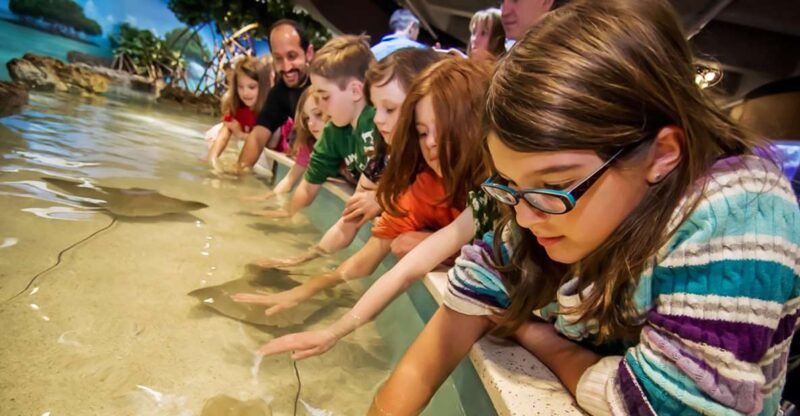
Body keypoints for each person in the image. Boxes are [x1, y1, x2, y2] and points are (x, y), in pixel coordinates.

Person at [370, 0, 800, 415]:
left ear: (663, 153)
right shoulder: (545, 207)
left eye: (555, 184)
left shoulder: (740, 209)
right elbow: (456, 314)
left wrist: (537, 335)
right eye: (510, 184)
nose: (522, 216)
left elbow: (664, 406)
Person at [233, 57, 491, 321]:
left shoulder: (495, 183)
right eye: (423, 132)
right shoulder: (406, 172)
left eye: (390, 109)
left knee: (405, 244)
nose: (378, 119)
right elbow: (362, 241)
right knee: (402, 243)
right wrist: (305, 284)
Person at [249, 48, 443, 268]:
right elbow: (348, 219)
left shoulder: (378, 130)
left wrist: (381, 197)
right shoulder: (383, 155)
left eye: (388, 109)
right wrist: (300, 259)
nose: (379, 119)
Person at [251, 35, 377, 219]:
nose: (323, 108)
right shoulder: (333, 131)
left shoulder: (377, 122)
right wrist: (288, 212)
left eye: (325, 98)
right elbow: (310, 183)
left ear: (356, 91)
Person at [236, 19, 315, 172]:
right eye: (278, 58)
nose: (286, 67)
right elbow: (258, 137)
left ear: (309, 53)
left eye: (292, 56)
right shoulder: (280, 92)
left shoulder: (325, 83)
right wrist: (239, 173)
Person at [206, 56, 271, 171]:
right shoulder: (238, 108)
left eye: (252, 87)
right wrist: (211, 161)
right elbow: (223, 137)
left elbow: (269, 143)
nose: (245, 92)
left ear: (263, 86)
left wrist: (240, 134)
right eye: (240, 87)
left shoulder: (270, 109)